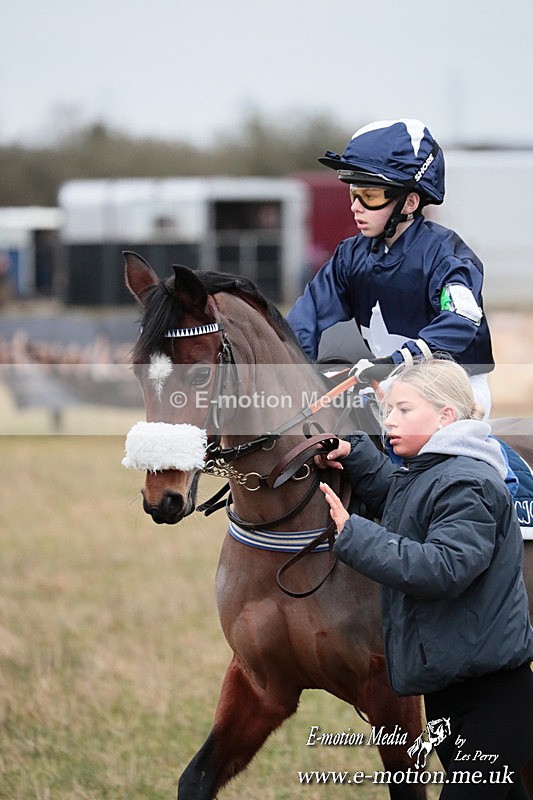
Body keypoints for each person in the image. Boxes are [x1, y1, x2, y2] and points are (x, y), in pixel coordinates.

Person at [317, 358, 533, 798]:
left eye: (403, 410)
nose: (389, 419)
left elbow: (443, 568)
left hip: (492, 695)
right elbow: (399, 496)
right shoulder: (433, 472)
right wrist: (355, 453)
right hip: (451, 685)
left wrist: (353, 533)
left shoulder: (467, 483)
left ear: (446, 417)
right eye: (389, 410)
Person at [286, 119, 495, 415]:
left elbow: (461, 321)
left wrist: (397, 361)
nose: (355, 206)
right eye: (353, 193)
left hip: (453, 387)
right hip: (385, 384)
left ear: (409, 202)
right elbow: (305, 322)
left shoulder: (447, 255)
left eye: (369, 196)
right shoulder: (349, 255)